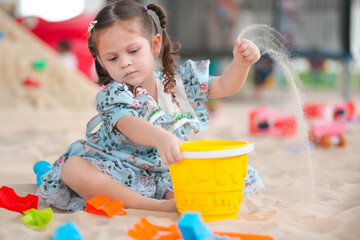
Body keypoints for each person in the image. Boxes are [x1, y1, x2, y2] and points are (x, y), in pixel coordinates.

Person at [36, 0, 264, 213]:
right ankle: (153, 206)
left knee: (216, 174)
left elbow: (223, 86)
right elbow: (128, 123)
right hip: (117, 166)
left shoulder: (178, 83)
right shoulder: (113, 94)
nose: (125, 62)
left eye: (133, 51)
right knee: (72, 169)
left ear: (155, 45)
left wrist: (241, 65)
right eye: (113, 59)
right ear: (101, 62)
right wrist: (161, 137)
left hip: (168, 168)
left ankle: (170, 195)